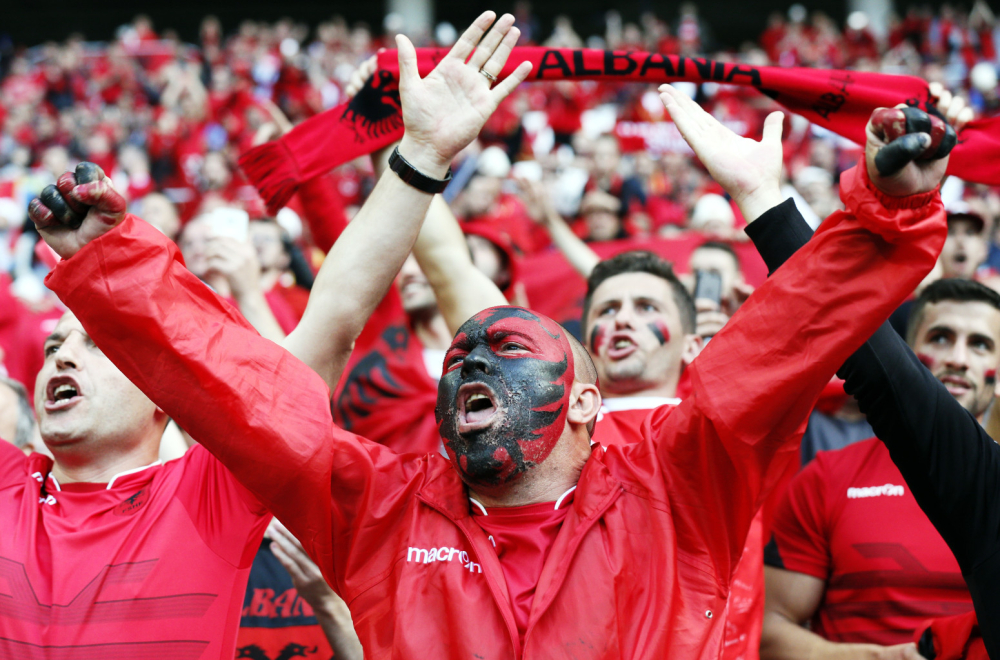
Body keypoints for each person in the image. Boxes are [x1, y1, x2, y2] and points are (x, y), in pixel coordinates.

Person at [29, 20, 948, 660]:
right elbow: (239, 392)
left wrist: (890, 210)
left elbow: (783, 343)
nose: (471, 357)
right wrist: (110, 263)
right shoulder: (376, 506)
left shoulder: (681, 481)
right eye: (463, 354)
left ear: (588, 401)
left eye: (508, 349)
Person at [760, 278, 996, 656]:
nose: (958, 358)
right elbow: (768, 632)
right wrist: (877, 658)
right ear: (905, 356)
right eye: (940, 338)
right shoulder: (827, 477)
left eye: (980, 344)